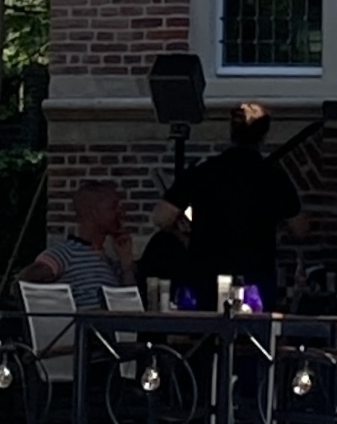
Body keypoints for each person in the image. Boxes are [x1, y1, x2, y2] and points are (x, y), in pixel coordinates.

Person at [160, 102, 302, 308]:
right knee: (255, 327)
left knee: (203, 325)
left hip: (205, 275)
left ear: (231, 132)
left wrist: (185, 233)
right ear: (264, 135)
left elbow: (162, 217)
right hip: (255, 277)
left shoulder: (205, 171)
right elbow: (299, 228)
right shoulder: (273, 178)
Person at [33, 179, 138, 310]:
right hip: (86, 322)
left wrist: (126, 265)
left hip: (113, 322)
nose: (120, 213)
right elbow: (25, 281)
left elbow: (131, 308)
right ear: (92, 213)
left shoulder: (111, 263)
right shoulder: (66, 254)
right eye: (113, 207)